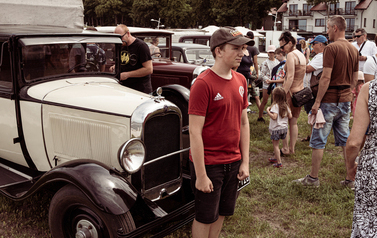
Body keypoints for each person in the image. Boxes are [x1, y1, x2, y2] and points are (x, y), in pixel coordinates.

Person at [188, 27, 251, 238]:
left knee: (222, 213)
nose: (242, 52)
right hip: (209, 164)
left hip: (233, 162)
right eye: (236, 48)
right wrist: (201, 175)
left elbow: (244, 123)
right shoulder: (203, 84)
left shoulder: (241, 80)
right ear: (218, 51)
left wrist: (245, 161)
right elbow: (195, 133)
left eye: (243, 48)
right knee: (205, 217)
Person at [293, 15, 359, 187]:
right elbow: (354, 78)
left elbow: (325, 78)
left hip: (329, 100)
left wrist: (316, 102)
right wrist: (350, 94)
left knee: (319, 140)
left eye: (328, 28)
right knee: (345, 140)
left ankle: (313, 178)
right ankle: (350, 179)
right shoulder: (353, 49)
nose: (327, 32)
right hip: (345, 100)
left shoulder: (331, 49)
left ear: (335, 28)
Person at [345, 80, 377, 236]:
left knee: (368, 224)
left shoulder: (370, 89)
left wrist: (350, 166)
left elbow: (354, 142)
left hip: (373, 167)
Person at [279, 31, 306, 156]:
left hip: (290, 92)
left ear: (290, 43)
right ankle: (292, 148)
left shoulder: (290, 56)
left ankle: (285, 149)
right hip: (300, 92)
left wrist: (282, 94)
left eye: (283, 46)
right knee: (294, 122)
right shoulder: (301, 54)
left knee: (284, 121)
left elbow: (290, 77)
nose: (282, 49)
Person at [113, 24, 153, 93]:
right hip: (125, 89)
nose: (119, 40)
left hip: (141, 90)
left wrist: (127, 75)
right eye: (116, 38)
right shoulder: (120, 46)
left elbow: (149, 69)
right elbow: (125, 63)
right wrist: (115, 67)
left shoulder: (141, 46)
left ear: (128, 34)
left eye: (120, 37)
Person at [302, 35, 327, 142]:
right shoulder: (319, 56)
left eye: (314, 44)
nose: (312, 46)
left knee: (314, 113)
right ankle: (313, 135)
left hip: (314, 90)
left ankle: (314, 137)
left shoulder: (322, 56)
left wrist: (297, 65)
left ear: (320, 44)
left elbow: (308, 69)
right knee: (311, 113)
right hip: (312, 90)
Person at [267, 87, 292, 168]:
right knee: (276, 144)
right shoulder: (286, 106)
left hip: (276, 129)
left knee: (276, 146)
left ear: (275, 96)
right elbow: (290, 116)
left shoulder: (275, 106)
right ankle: (275, 158)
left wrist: (268, 111)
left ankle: (279, 162)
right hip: (284, 129)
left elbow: (274, 117)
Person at [236, 31, 261, 109]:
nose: (246, 44)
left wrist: (256, 73)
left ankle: (254, 109)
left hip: (248, 74)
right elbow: (255, 62)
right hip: (240, 74)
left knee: (249, 92)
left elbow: (254, 62)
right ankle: (243, 108)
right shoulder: (240, 51)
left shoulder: (249, 51)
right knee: (243, 92)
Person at [258, 45, 279, 122]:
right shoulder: (265, 62)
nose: (271, 54)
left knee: (274, 101)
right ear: (268, 53)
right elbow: (262, 74)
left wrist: (274, 81)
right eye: (270, 52)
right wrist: (268, 80)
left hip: (274, 83)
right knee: (265, 100)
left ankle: (274, 116)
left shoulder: (277, 62)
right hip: (267, 84)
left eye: (273, 52)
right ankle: (260, 116)